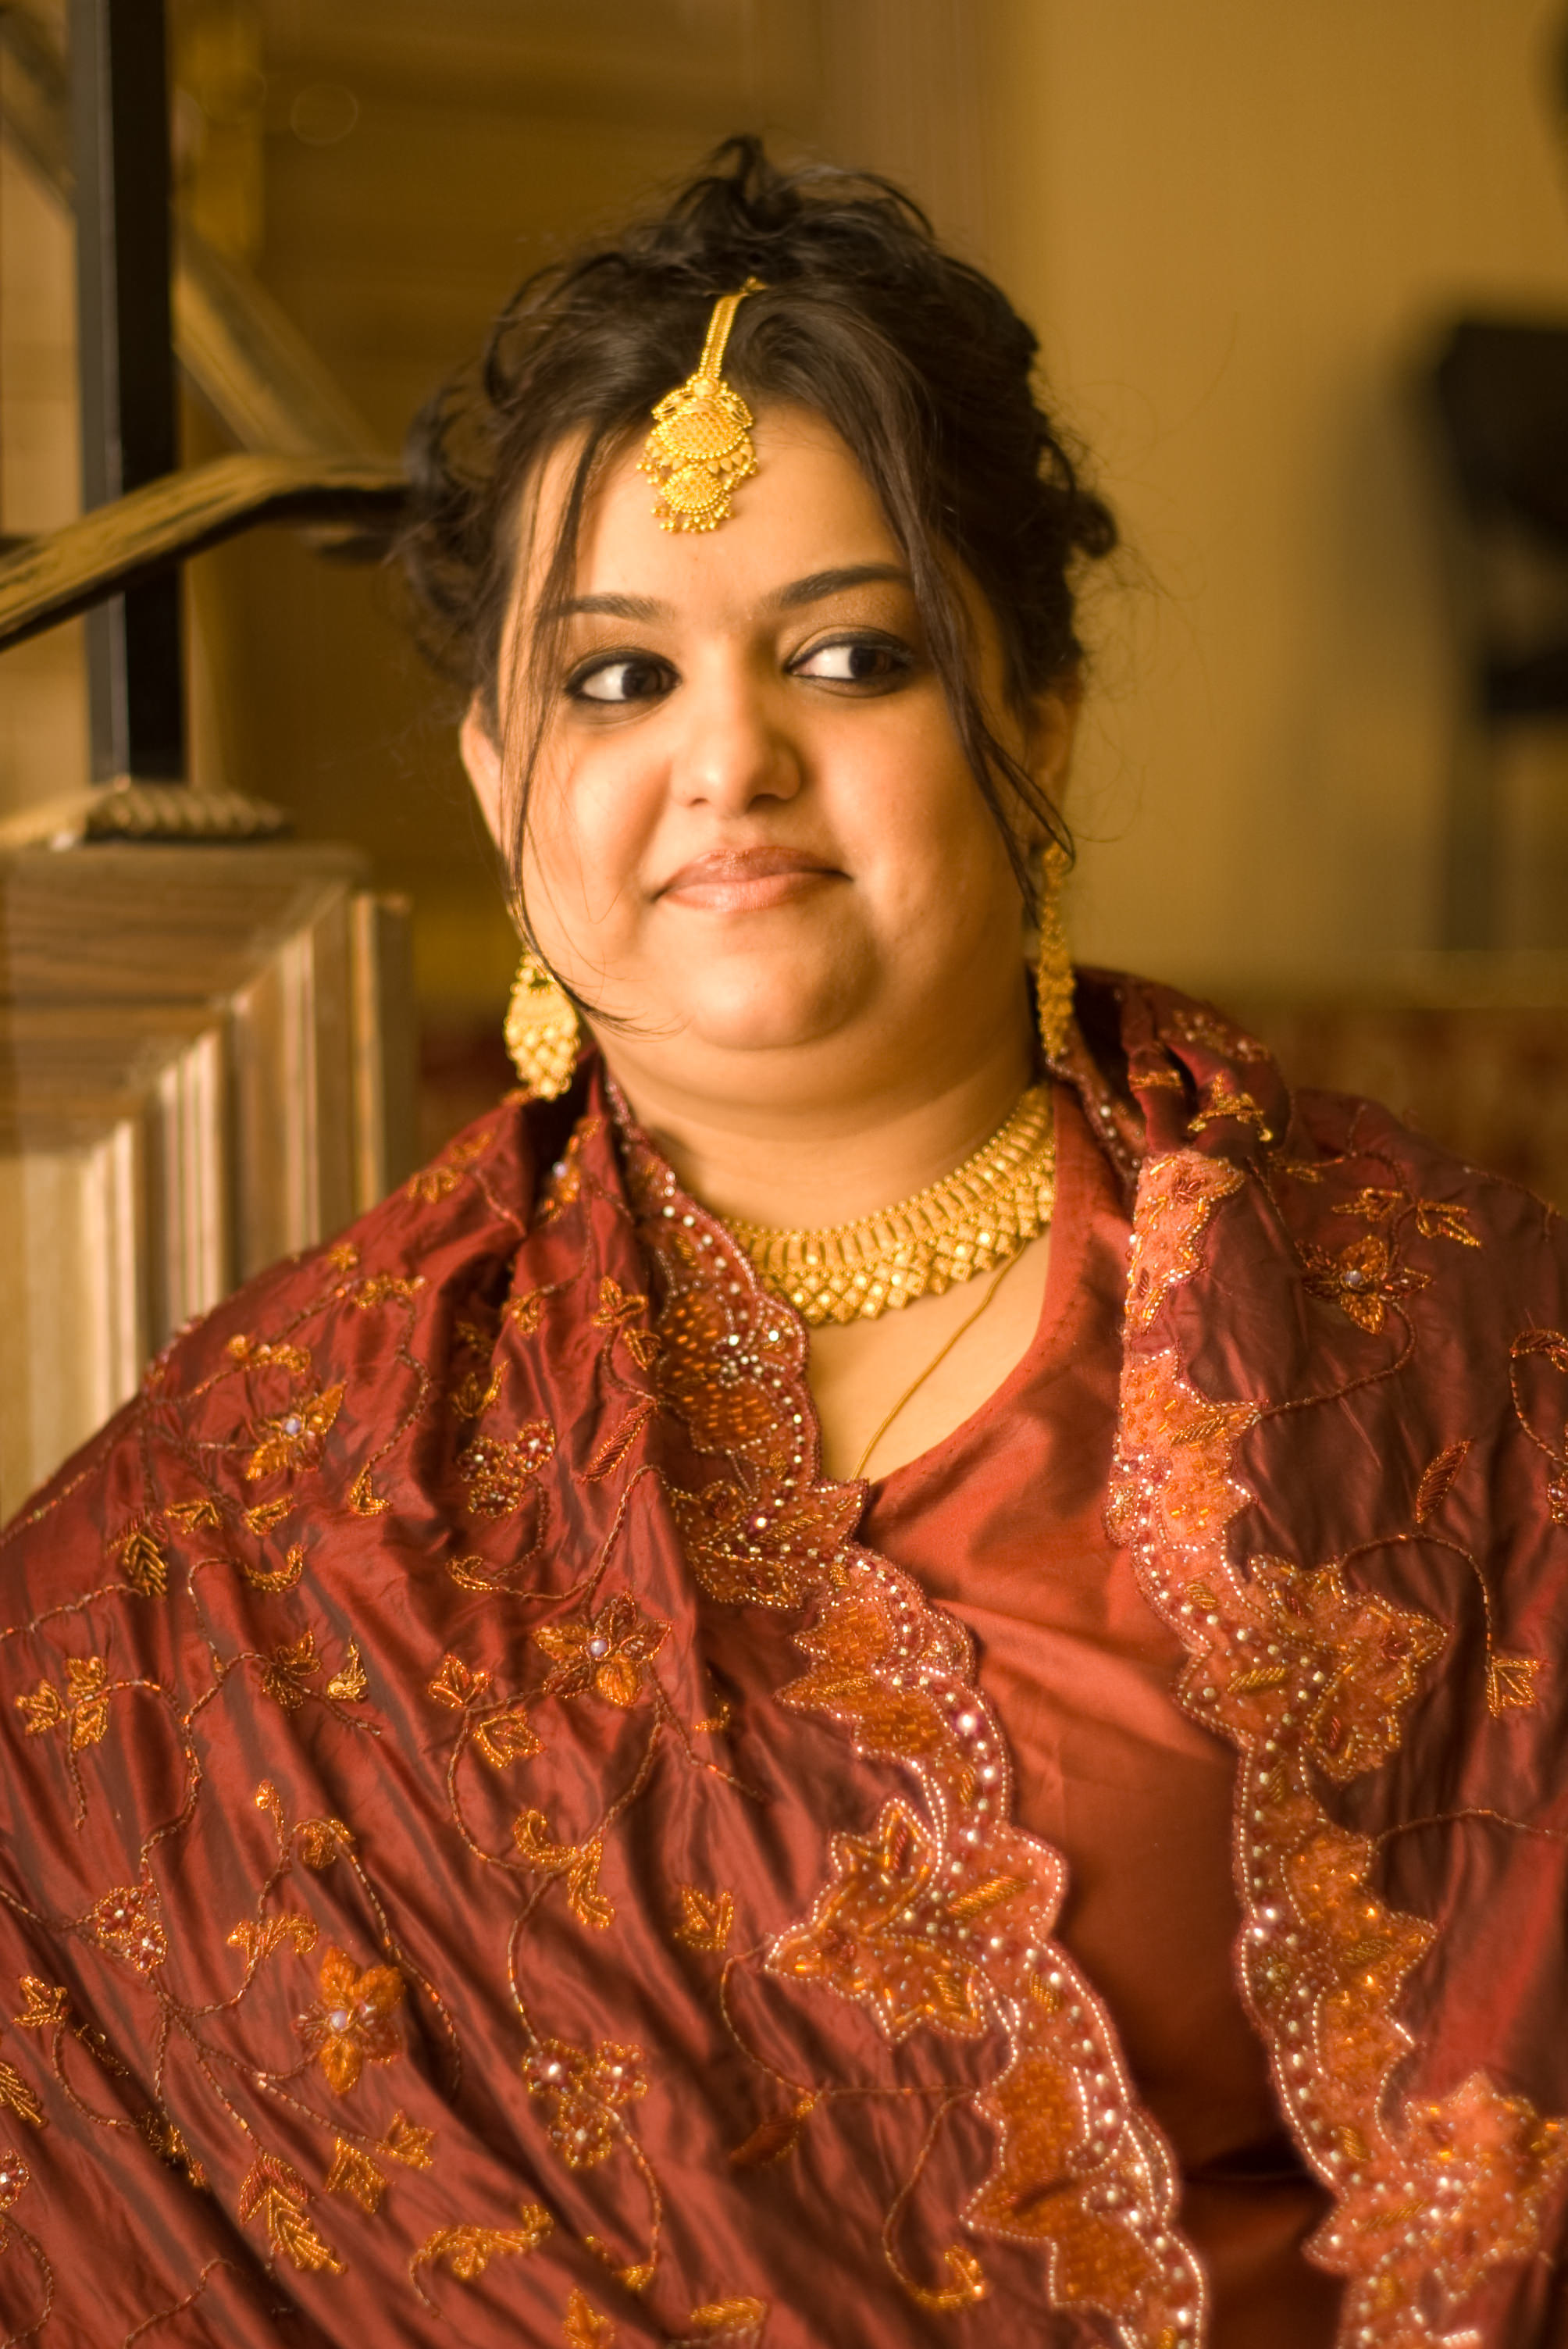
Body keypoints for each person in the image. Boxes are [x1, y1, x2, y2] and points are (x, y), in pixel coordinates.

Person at [1, 139, 1565, 2349]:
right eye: (616, 682)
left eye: (850, 657)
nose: (727, 757)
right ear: (498, 782)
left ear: (1036, 723)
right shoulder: (272, 1497)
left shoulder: (1439, 1357)